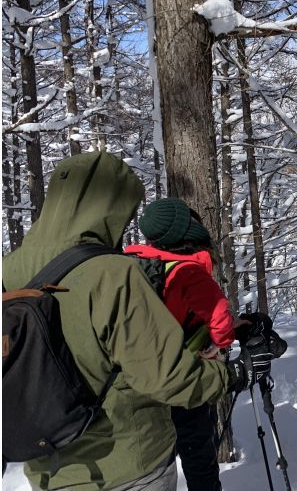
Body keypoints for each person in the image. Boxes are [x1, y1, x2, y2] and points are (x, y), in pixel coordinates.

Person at [2, 152, 269, 490]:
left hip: (48, 464)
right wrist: (234, 374)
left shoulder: (9, 269)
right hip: (128, 461)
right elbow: (167, 377)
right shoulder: (113, 273)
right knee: (198, 449)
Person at [124, 197, 235, 491]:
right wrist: (218, 345)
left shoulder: (128, 263)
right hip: (182, 373)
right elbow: (221, 321)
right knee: (198, 450)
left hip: (137, 378)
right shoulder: (187, 270)